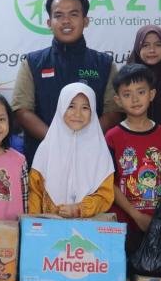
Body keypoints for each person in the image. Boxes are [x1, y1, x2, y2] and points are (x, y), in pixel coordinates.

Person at [12, 0, 123, 164]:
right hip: (44, 158)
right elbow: (22, 110)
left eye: (73, 14)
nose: (66, 21)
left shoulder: (104, 64)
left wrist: (85, 138)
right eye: (58, 15)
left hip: (91, 157)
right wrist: (56, 140)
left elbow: (114, 112)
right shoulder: (32, 63)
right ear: (49, 23)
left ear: (85, 21)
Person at [105, 64, 161, 253]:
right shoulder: (112, 137)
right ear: (118, 100)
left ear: (152, 94)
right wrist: (136, 215)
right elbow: (109, 182)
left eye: (141, 92)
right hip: (123, 223)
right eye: (127, 94)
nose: (135, 99)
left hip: (158, 223)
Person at [29, 82, 115, 217]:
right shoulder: (46, 148)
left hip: (87, 227)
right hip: (49, 226)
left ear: (93, 111)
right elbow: (35, 191)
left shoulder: (100, 151)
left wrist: (79, 209)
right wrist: (34, 223)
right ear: (61, 107)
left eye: (85, 108)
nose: (77, 114)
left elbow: (105, 195)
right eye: (71, 106)